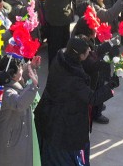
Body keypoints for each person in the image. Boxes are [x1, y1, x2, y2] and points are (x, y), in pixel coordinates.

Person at [35, 36, 115, 166]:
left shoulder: (60, 59)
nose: (89, 54)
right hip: (63, 129)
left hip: (48, 120)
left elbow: (86, 63)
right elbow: (92, 98)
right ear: (81, 56)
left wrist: (101, 54)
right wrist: (111, 85)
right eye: (87, 53)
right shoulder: (74, 80)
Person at [0, 58, 39, 166]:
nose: (22, 71)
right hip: (8, 142)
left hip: (7, 136)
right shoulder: (6, 92)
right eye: (20, 69)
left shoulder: (1, 81)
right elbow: (19, 103)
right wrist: (33, 86)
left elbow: (18, 82)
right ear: (12, 74)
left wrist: (30, 67)